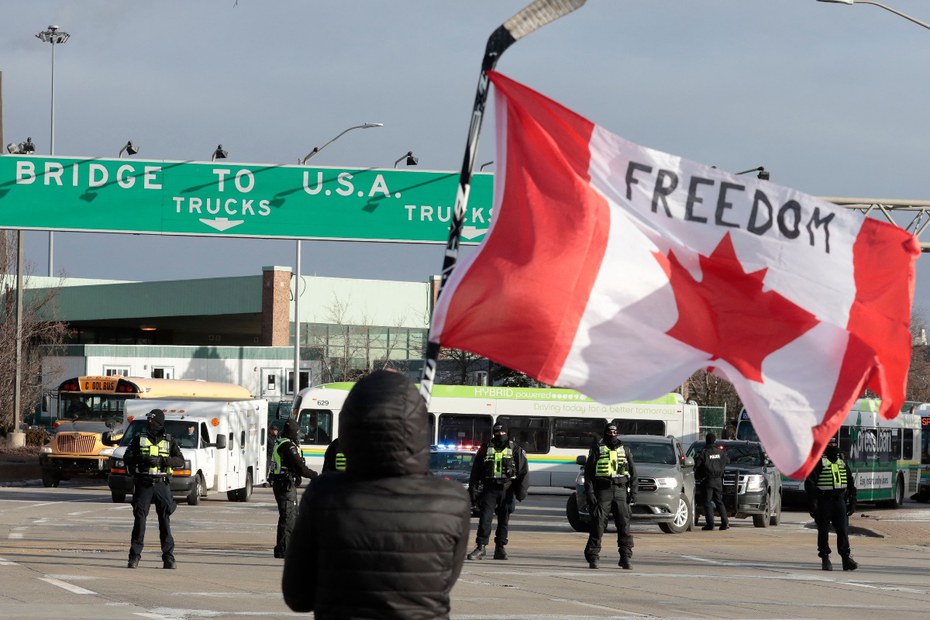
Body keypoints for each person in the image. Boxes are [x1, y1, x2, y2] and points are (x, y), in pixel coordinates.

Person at [282, 370, 471, 618]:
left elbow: (298, 596)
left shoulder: (324, 496)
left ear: (350, 425)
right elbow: (442, 583)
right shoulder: (452, 501)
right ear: (418, 429)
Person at [123, 408, 185, 569]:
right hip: (143, 483)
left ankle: (168, 557)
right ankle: (134, 557)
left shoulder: (169, 440)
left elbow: (180, 460)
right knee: (140, 521)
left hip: (161, 484)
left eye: (153, 421)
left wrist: (162, 461)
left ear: (160, 422)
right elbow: (127, 457)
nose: (150, 424)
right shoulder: (139, 439)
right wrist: (142, 459)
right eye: (149, 421)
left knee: (165, 521)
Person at [466, 422, 529, 561]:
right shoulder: (485, 449)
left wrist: (521, 491)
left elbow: (523, 472)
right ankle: (481, 547)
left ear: (507, 433)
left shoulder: (515, 449)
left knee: (504, 520)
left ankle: (500, 548)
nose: (500, 435)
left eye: (502, 432)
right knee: (485, 518)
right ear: (493, 433)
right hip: (489, 489)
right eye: (497, 432)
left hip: (507, 489)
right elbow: (475, 472)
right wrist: (473, 491)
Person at [583, 423, 637, 569]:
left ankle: (625, 557)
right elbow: (588, 474)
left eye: (614, 432)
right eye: (609, 432)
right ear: (605, 432)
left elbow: (633, 473)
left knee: (624, 526)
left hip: (620, 491)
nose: (612, 434)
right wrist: (590, 493)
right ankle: (593, 557)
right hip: (603, 490)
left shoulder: (624, 449)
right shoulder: (597, 449)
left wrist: (633, 493)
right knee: (598, 525)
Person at [805, 436, 858, 571]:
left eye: (835, 444)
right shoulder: (818, 460)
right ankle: (825, 558)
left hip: (839, 500)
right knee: (823, 530)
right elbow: (810, 484)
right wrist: (813, 504)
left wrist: (852, 501)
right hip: (824, 501)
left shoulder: (841, 459)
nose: (833, 447)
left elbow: (850, 481)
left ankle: (846, 558)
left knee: (843, 530)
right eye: (830, 444)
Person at [270, 418, 318, 558]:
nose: (298, 435)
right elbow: (299, 467)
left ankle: (284, 548)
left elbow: (292, 466)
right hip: (285, 485)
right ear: (292, 432)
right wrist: (315, 476)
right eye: (297, 432)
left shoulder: (281, 442)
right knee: (288, 517)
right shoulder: (288, 446)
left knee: (288, 516)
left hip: (282, 483)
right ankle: (284, 550)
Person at [694, 432, 729, 531]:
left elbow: (697, 464)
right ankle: (725, 523)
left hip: (708, 480)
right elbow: (727, 461)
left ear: (706, 440)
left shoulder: (704, 452)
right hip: (718, 480)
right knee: (719, 501)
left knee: (707, 502)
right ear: (714, 440)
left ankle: (710, 524)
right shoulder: (721, 452)